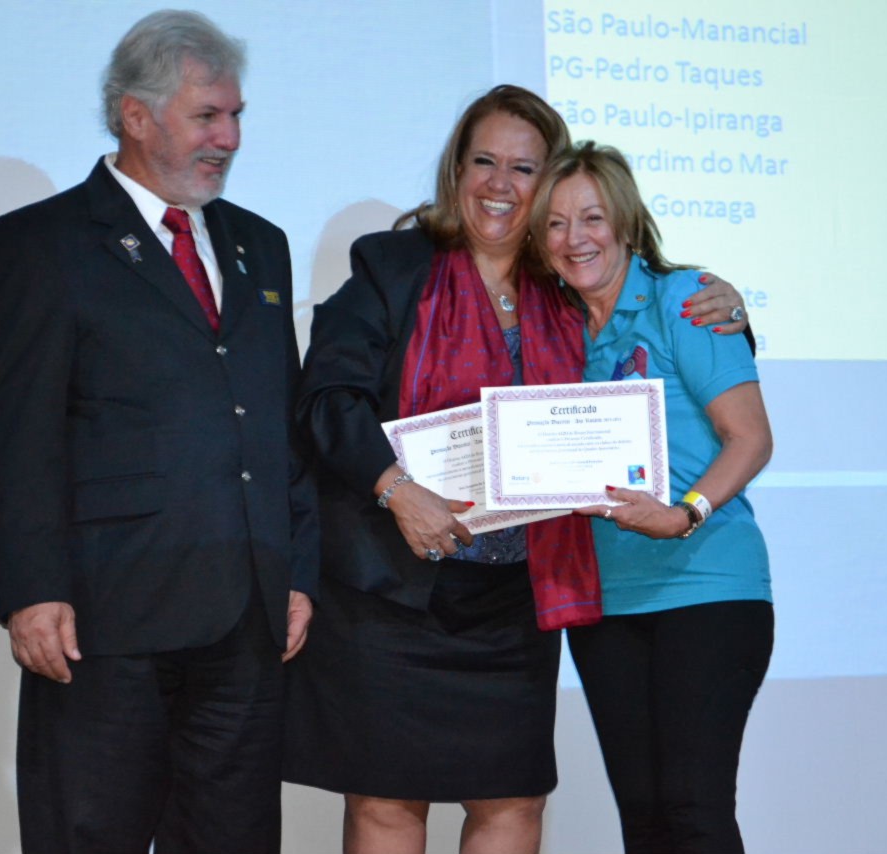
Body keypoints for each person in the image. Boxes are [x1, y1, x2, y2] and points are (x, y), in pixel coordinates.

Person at [283, 86, 749, 854]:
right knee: (387, 803)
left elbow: (654, 324)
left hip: (513, 602)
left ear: (550, 182)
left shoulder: (566, 282)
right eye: (484, 162)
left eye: (524, 168)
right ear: (456, 170)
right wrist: (397, 490)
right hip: (393, 593)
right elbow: (327, 400)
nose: (499, 185)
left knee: (513, 803)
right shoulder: (394, 266)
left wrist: (728, 308)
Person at [0, 11, 317, 853]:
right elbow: (18, 434)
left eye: (236, 116)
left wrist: (298, 571)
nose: (229, 138)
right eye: (208, 116)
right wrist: (31, 588)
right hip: (102, 618)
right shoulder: (39, 243)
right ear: (135, 115)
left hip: (245, 617)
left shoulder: (260, 245)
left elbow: (283, 423)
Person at [530, 140, 774, 854]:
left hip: (708, 588)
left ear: (627, 223)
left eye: (592, 218)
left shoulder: (687, 300)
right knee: (645, 823)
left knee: (695, 812)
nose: (575, 239)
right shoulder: (551, 331)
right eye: (555, 223)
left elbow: (751, 439)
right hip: (604, 603)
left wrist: (683, 514)